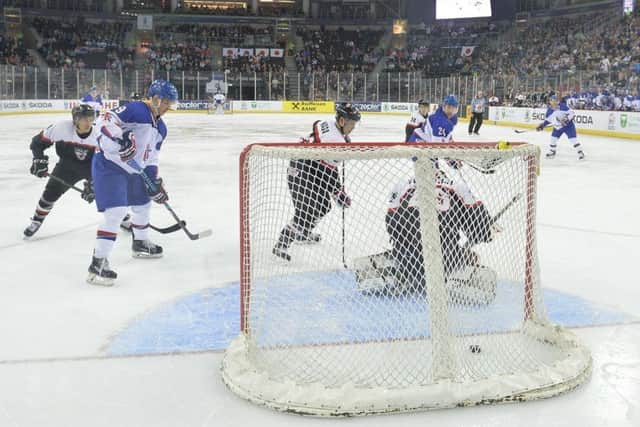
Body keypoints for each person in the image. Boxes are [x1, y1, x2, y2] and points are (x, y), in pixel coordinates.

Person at [87, 79, 178, 286]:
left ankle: (140, 243)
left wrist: (153, 181)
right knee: (116, 213)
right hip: (110, 164)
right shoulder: (136, 109)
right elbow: (104, 121)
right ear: (155, 98)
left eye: (170, 103)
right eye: (166, 102)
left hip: (136, 170)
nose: (167, 107)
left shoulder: (161, 128)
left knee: (143, 205)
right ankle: (98, 263)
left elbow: (152, 157)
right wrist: (123, 137)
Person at [384, 160, 496, 297]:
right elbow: (480, 228)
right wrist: (486, 233)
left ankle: (400, 273)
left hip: (408, 257)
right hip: (446, 258)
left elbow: (391, 225)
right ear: (441, 173)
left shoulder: (402, 186)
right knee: (473, 258)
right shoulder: (457, 187)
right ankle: (454, 281)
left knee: (406, 249)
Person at [272, 103, 361, 261]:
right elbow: (328, 172)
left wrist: (336, 191)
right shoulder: (335, 141)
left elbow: (325, 166)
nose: (353, 127)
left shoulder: (330, 124)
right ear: (341, 121)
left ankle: (303, 233)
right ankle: (282, 243)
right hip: (301, 169)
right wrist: (338, 191)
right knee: (307, 210)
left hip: (311, 168)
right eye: (351, 123)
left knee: (324, 206)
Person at [23, 104, 98, 238]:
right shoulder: (61, 128)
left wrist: (95, 182)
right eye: (84, 119)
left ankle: (124, 220)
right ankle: (36, 220)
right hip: (67, 166)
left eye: (91, 118)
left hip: (93, 167)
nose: (88, 122)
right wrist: (38, 160)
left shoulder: (99, 134)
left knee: (107, 195)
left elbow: (108, 160)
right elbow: (37, 143)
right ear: (75, 120)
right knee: (50, 193)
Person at [536, 95, 585, 160]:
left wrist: (566, 119)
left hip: (568, 126)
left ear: (557, 101)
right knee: (553, 139)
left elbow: (572, 113)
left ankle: (580, 152)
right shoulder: (549, 111)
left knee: (573, 140)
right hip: (558, 127)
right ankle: (552, 151)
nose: (553, 102)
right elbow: (548, 120)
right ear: (550, 102)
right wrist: (542, 125)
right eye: (552, 101)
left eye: (555, 101)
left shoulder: (563, 107)